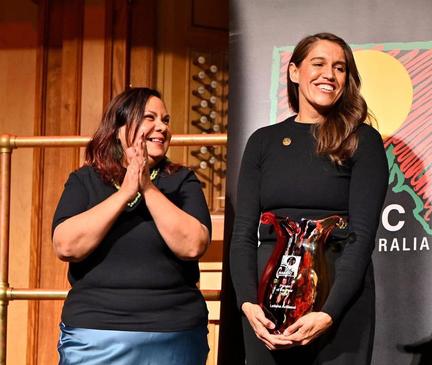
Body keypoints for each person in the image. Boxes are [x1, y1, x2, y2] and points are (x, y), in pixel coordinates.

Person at [230, 32, 388, 364]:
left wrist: (329, 313)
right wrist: (248, 304)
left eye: (340, 68)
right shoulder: (263, 142)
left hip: (337, 305)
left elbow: (361, 237)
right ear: (294, 72)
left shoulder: (362, 140)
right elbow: (243, 234)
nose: (329, 74)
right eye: (318, 64)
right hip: (266, 307)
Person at [52, 88, 212, 364]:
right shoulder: (85, 180)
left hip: (174, 331)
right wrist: (125, 192)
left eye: (166, 120)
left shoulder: (182, 181)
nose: (162, 127)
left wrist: (146, 187)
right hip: (95, 333)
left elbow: (192, 246)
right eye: (150, 118)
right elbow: (66, 246)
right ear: (118, 128)